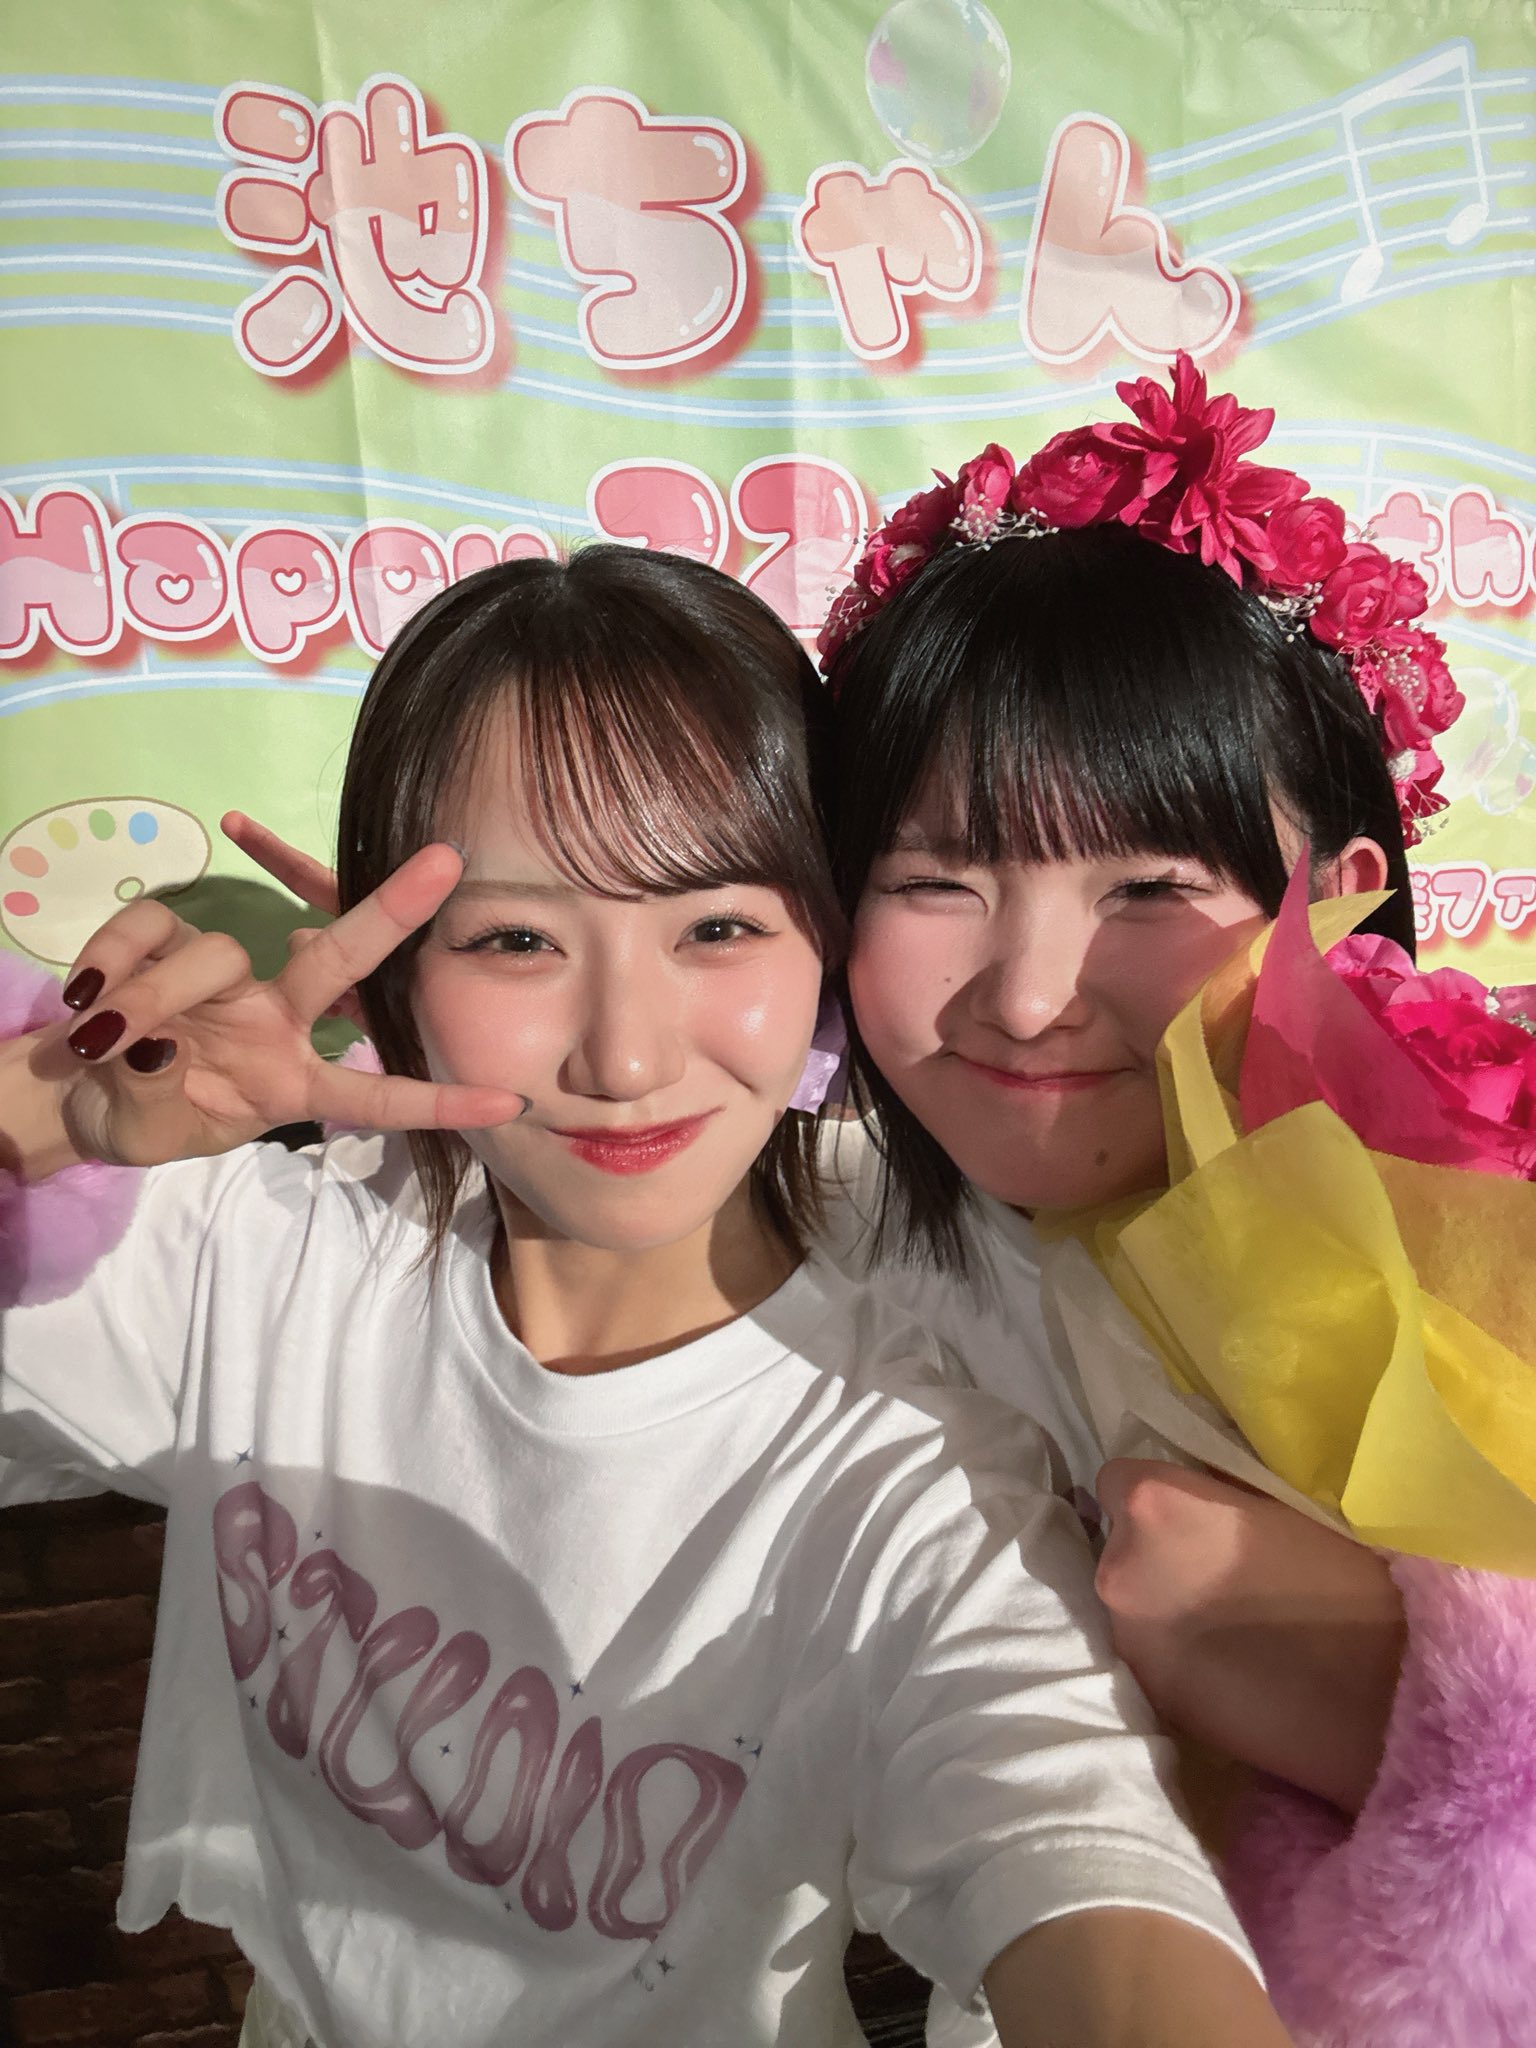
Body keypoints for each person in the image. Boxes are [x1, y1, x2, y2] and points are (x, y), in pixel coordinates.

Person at [0, 547, 1289, 2048]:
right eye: (515, 940)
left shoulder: (913, 1471)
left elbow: (1071, 1839)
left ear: (828, 951)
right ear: (397, 973)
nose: (623, 1057)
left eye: (718, 926)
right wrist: (43, 1114)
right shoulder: (262, 1270)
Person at [811, 358, 1536, 2047]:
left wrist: (1402, 1705)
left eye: (1147, 885)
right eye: (933, 879)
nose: (1028, 994)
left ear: (1341, 893)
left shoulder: (1473, 1237)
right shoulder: (817, 1240)